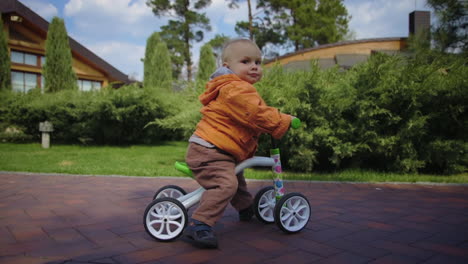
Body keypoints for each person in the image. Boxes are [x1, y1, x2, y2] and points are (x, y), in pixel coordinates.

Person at [183, 38, 293, 248]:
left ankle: (245, 208)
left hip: (221, 150)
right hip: (209, 151)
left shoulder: (238, 87)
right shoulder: (234, 88)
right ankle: (199, 224)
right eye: (245, 61)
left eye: (258, 62)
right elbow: (254, 113)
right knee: (226, 184)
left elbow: (249, 117)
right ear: (227, 67)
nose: (254, 66)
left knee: (237, 178)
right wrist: (282, 120)